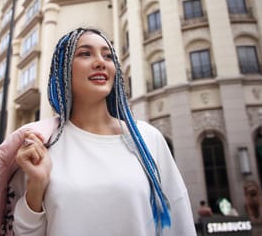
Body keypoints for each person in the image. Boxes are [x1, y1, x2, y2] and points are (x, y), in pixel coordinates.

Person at [12, 27, 196, 235]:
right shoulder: (42, 146)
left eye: (108, 56)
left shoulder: (147, 139)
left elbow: (179, 222)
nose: (101, 62)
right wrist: (37, 184)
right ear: (63, 69)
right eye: (85, 53)